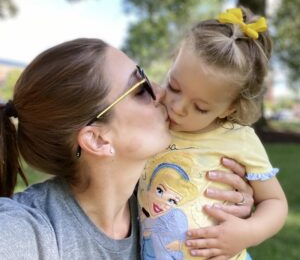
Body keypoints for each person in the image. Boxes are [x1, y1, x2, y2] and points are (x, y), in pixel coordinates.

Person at [0, 38, 253, 260]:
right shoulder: (28, 230)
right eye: (140, 89)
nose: (162, 92)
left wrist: (233, 217)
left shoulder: (164, 200)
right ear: (98, 139)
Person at [138, 7, 288, 260]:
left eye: (200, 107)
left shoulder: (238, 139)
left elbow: (275, 202)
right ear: (173, 61)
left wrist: (248, 231)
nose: (177, 107)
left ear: (229, 108)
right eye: (174, 87)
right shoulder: (151, 120)